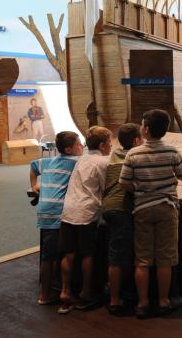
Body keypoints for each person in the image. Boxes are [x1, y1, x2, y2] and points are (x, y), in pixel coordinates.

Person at [120, 109, 182, 319]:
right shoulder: (172, 152)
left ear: (145, 130)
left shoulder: (133, 153)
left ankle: (143, 303)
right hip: (167, 208)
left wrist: (139, 187)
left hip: (142, 209)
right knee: (165, 257)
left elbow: (124, 182)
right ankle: (164, 301)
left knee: (143, 258)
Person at [58, 126, 113, 314]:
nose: (111, 146)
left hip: (68, 210)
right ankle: (86, 292)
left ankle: (65, 291)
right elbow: (107, 187)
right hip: (86, 212)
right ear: (103, 145)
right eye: (110, 143)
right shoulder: (104, 162)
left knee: (69, 253)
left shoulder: (82, 159)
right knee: (87, 253)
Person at [29, 131, 83, 307]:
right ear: (69, 149)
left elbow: (33, 166)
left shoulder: (48, 161)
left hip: (44, 211)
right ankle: (63, 291)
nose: (81, 147)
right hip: (60, 212)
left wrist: (34, 185)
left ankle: (45, 294)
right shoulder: (76, 162)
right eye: (78, 144)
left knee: (48, 255)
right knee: (67, 252)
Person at [102, 123, 143, 314]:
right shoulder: (135, 158)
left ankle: (118, 294)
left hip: (108, 206)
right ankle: (115, 301)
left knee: (117, 252)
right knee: (118, 256)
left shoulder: (114, 155)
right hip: (121, 208)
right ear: (136, 141)